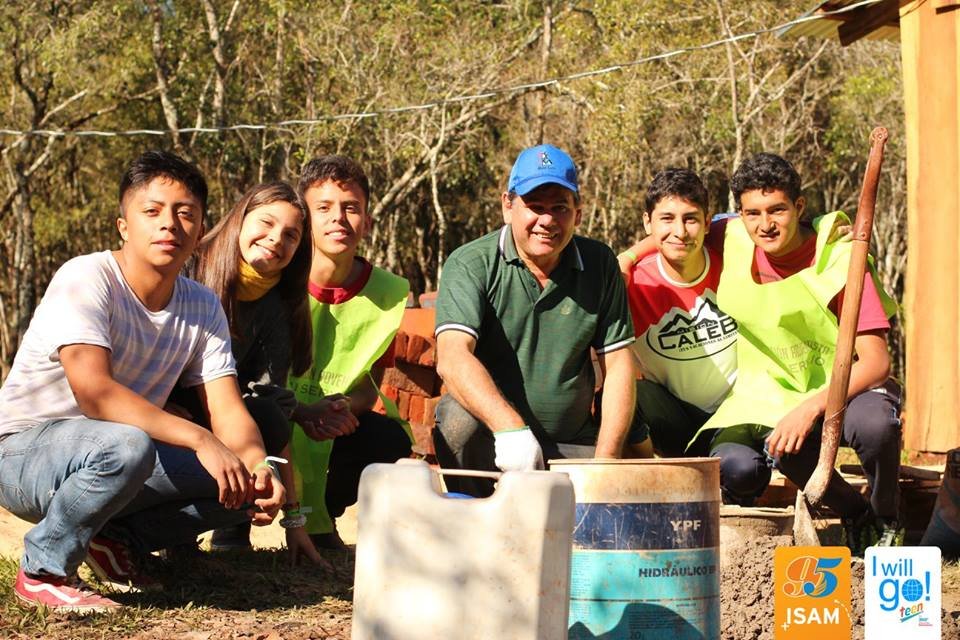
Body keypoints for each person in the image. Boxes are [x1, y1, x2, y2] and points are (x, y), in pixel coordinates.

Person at [0, 151, 285, 612]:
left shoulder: (202, 305)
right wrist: (199, 439)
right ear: (124, 226)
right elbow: (95, 394)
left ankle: (114, 543)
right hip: (22, 453)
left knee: (237, 482)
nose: (169, 224)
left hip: (115, 456)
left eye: (184, 213)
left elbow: (228, 408)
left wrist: (258, 467)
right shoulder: (87, 277)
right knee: (128, 444)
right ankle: (42, 571)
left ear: (200, 229)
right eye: (152, 211)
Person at [692, 153, 901, 553]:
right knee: (783, 448)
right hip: (778, 392)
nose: (765, 224)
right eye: (752, 213)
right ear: (739, 214)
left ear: (799, 206)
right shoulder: (731, 237)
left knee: (877, 428)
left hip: (852, 388)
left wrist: (809, 408)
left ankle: (886, 516)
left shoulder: (841, 261)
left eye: (777, 210)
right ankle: (855, 513)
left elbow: (876, 361)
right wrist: (629, 259)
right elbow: (673, 225)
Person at [432, 144, 651, 498]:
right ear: (508, 206)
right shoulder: (471, 263)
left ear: (578, 214)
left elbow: (619, 363)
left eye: (559, 208)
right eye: (534, 207)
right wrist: (510, 430)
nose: (547, 221)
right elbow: (453, 357)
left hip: (569, 448)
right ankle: (479, 517)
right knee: (457, 421)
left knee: (629, 484)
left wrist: (606, 462)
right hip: (498, 448)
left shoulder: (599, 264)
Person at [171, 181, 313, 551]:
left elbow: (274, 408)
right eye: (265, 223)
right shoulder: (187, 267)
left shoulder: (280, 302)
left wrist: (294, 520)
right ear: (239, 219)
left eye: (291, 235)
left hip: (228, 417)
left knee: (268, 413)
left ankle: (233, 528)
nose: (275, 239)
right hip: (163, 408)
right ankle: (175, 533)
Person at [284, 155, 412, 562]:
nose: (337, 218)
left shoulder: (388, 293)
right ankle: (231, 527)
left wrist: (337, 411)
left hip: (328, 420)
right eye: (323, 208)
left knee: (388, 438)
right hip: (270, 415)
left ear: (367, 222)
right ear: (305, 219)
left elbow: (367, 384)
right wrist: (301, 412)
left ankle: (324, 517)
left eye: (350, 207)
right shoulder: (276, 278)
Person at [620, 168, 737, 457]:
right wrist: (626, 258)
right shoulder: (630, 283)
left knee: (743, 472)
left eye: (690, 219)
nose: (680, 231)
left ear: (708, 222)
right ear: (647, 222)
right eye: (667, 219)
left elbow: (780, 223)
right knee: (624, 390)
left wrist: (822, 227)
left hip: (736, 414)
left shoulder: (736, 258)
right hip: (672, 418)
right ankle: (650, 478)